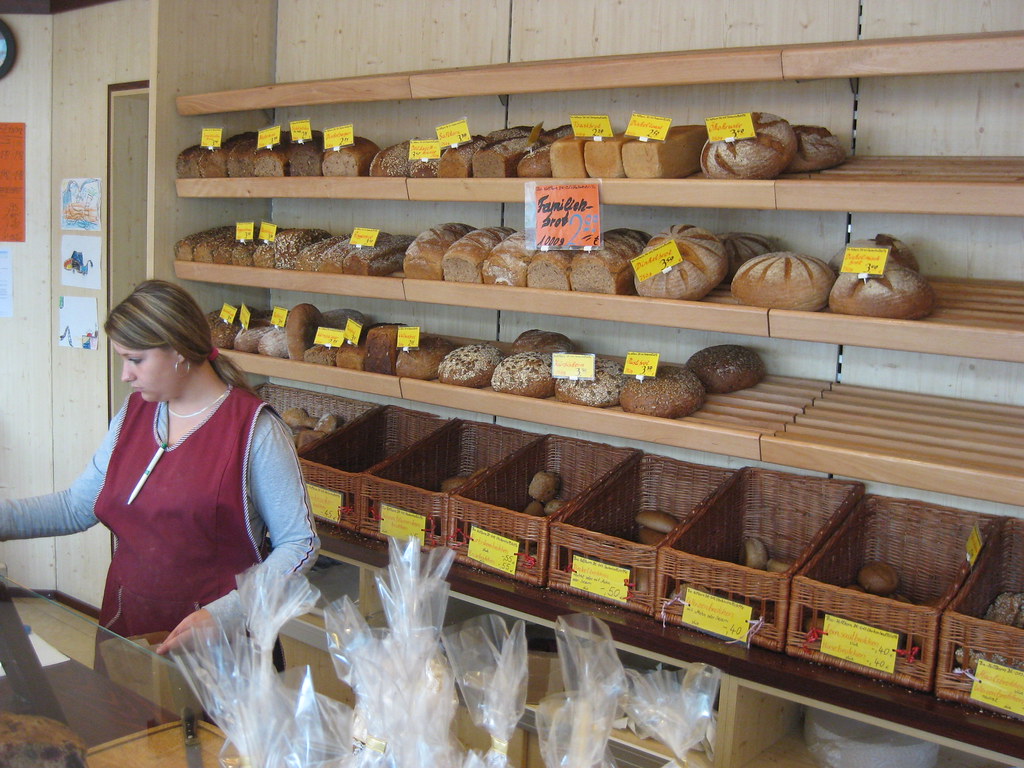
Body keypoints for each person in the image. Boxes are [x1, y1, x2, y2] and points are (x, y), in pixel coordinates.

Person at [0, 280, 319, 655]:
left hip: (220, 646)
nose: (125, 375)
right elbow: (75, 506)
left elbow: (300, 543)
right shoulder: (132, 414)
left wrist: (227, 614)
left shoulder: (255, 430)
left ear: (179, 350)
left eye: (135, 359)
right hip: (128, 626)